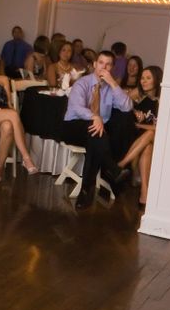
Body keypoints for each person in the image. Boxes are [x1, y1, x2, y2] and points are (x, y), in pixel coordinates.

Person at [57, 50, 133, 209]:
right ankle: (112, 169)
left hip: (97, 132)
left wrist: (113, 83)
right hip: (73, 126)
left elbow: (127, 107)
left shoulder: (111, 87)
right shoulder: (82, 83)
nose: (103, 67)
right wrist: (95, 117)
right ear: (94, 65)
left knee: (96, 139)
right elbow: (76, 108)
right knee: (95, 131)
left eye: (108, 64)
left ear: (112, 68)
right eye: (101, 63)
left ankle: (85, 191)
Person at [0, 47, 38, 183]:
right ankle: (26, 158)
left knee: (8, 126)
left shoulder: (3, 79)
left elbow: (8, 103)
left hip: (2, 114)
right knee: (13, 115)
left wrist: (7, 111)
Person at [115, 66, 162, 208]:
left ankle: (121, 165)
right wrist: (134, 111)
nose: (143, 81)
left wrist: (140, 125)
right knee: (148, 145)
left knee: (150, 134)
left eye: (148, 78)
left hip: (149, 134)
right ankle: (144, 193)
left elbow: (159, 128)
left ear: (157, 80)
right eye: (142, 78)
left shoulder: (161, 100)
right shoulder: (137, 93)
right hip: (135, 138)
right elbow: (120, 105)